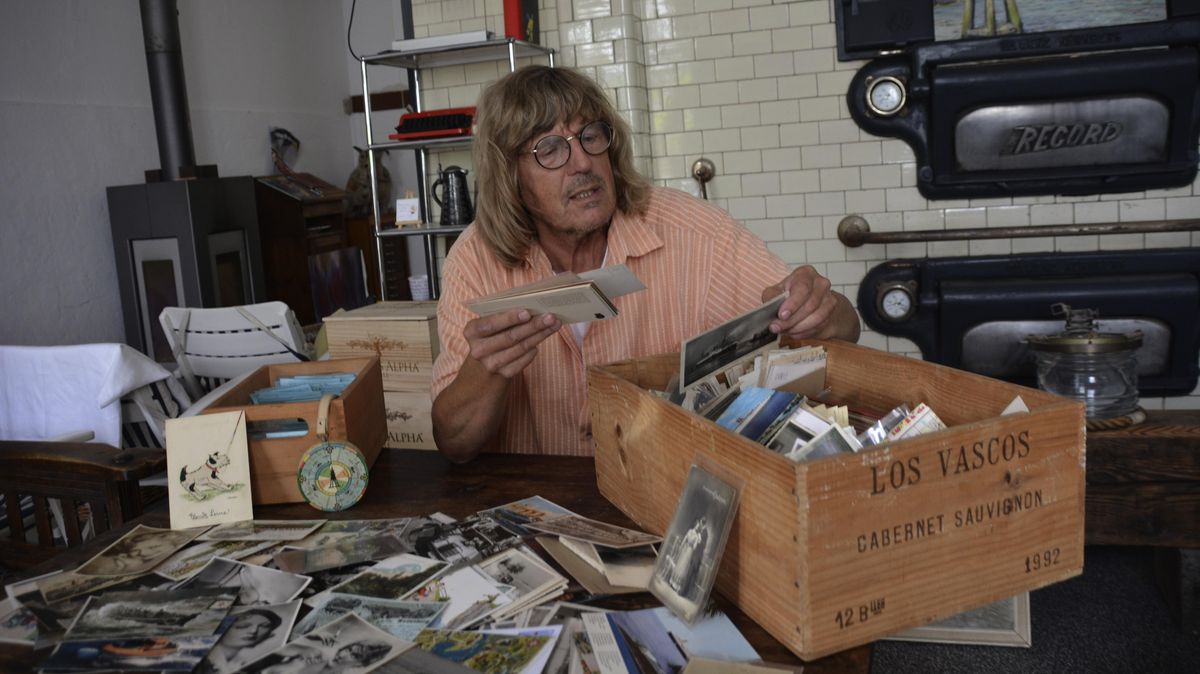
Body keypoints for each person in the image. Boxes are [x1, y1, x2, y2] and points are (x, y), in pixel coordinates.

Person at [431, 65, 861, 462]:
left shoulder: (693, 230)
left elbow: (841, 333)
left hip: (667, 489)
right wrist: (485, 371)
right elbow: (455, 444)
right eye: (549, 149)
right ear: (510, 175)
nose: (582, 162)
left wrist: (822, 311)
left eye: (591, 136)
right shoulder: (475, 259)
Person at [197, 608, 284, 674]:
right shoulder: (202, 660)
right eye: (244, 625)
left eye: (264, 626)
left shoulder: (243, 665)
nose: (253, 631)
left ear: (269, 635)